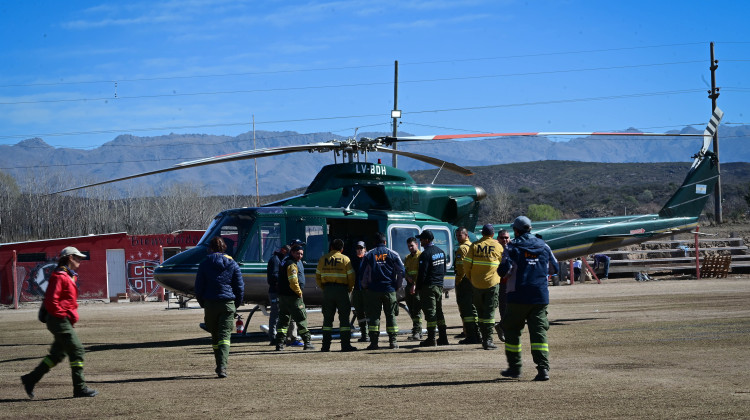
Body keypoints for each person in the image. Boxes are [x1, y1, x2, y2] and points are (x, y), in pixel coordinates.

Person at [21, 246, 98, 398]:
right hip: (58, 320)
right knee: (77, 351)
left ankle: (30, 379)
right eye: (77, 257)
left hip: (62, 320)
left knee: (57, 355)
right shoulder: (60, 276)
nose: (80, 260)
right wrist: (62, 316)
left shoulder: (68, 276)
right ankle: (79, 388)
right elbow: (51, 301)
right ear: (70, 258)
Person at [501, 216, 559, 381]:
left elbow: (504, 270)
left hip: (517, 295)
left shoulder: (512, 247)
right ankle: (543, 369)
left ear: (516, 231)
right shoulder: (544, 246)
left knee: (512, 331)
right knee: (539, 334)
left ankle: (515, 368)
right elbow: (555, 268)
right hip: (539, 296)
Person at [195, 236, 245, 378]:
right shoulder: (233, 264)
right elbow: (239, 287)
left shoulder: (204, 264)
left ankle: (219, 364)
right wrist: (235, 304)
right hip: (228, 303)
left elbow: (199, 287)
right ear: (224, 248)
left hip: (210, 303)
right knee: (225, 336)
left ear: (210, 248)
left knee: (215, 335)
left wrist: (203, 303)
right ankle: (222, 366)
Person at [361, 232, 404, 349]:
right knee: (391, 316)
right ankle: (393, 342)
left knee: (374, 316)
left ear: (374, 243)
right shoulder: (393, 254)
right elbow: (401, 271)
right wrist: (397, 285)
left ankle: (374, 342)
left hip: (373, 291)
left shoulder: (369, 255)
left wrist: (365, 286)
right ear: (385, 242)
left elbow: (363, 273)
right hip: (389, 290)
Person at [464, 224, 503, 350]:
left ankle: (483, 338)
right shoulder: (497, 246)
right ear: (492, 234)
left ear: (482, 234)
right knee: (490, 313)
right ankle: (488, 340)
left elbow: (466, 264)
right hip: (492, 284)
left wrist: (471, 278)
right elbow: (504, 265)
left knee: (480, 313)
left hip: (476, 284)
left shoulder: (474, 246)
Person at [316, 238, 357, 352]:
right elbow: (351, 276)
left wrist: (324, 288)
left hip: (328, 290)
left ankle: (325, 346)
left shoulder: (323, 259)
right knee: (344, 320)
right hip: (342, 290)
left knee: (327, 320)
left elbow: (318, 276)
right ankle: (345, 345)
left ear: (331, 247)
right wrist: (349, 288)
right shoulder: (345, 259)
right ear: (342, 249)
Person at [274, 245, 315, 350]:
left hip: (282, 296)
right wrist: (299, 292)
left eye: (301, 254)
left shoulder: (284, 261)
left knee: (283, 320)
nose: (300, 256)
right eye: (298, 253)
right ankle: (307, 342)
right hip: (293, 296)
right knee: (301, 318)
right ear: (292, 252)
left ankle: (279, 343)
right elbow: (293, 281)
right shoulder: (291, 264)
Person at [416, 229, 449, 347]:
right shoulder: (441, 252)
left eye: (421, 239)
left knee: (430, 312)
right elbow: (444, 269)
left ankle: (431, 339)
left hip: (429, 287)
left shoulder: (425, 254)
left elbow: (422, 273)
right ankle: (443, 337)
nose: (420, 241)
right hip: (439, 285)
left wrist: (418, 288)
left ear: (427, 240)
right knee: (439, 312)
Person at [454, 227, 479, 345]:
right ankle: (477, 333)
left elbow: (461, 268)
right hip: (474, 280)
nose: (458, 238)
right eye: (457, 236)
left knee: (466, 310)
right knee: (473, 309)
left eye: (460, 235)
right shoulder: (473, 247)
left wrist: (458, 282)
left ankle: (471, 335)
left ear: (466, 235)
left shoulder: (462, 249)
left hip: (464, 282)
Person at [266, 244, 290, 345]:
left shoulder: (277, 259)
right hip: (275, 291)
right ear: (283, 251)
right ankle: (274, 337)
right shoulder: (276, 260)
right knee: (276, 314)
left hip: (276, 291)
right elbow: (274, 276)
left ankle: (276, 336)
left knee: (277, 314)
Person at [403, 237, 424, 341]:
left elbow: (421, 273)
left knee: (416, 310)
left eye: (412, 245)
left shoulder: (421, 256)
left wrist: (415, 285)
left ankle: (416, 331)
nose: (410, 248)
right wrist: (407, 277)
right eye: (408, 246)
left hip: (417, 287)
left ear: (417, 245)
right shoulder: (407, 258)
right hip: (408, 286)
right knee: (411, 309)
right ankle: (418, 331)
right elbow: (405, 271)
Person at [350, 241, 369, 342]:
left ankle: (371, 334)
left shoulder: (369, 259)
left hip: (367, 291)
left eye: (361, 248)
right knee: (359, 313)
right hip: (357, 290)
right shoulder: (353, 261)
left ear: (365, 249)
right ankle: (364, 334)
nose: (359, 250)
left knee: (369, 313)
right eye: (357, 248)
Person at [495, 229, 511, 342]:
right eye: (502, 237)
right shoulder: (495, 249)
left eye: (506, 237)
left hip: (513, 283)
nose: (504, 240)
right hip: (500, 283)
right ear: (498, 239)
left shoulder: (513, 249)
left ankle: (503, 327)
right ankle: (504, 329)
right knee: (503, 308)